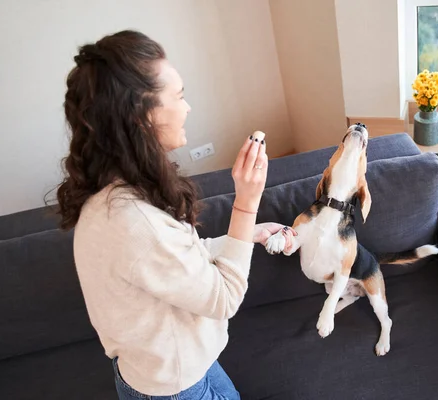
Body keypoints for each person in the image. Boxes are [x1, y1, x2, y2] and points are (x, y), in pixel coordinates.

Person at [55, 30, 287, 399]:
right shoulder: (132, 221)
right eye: (178, 96)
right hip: (175, 387)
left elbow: (175, 262)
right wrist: (246, 202)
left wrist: (246, 235)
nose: (187, 107)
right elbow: (223, 298)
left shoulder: (120, 191)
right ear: (141, 115)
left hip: (184, 364)